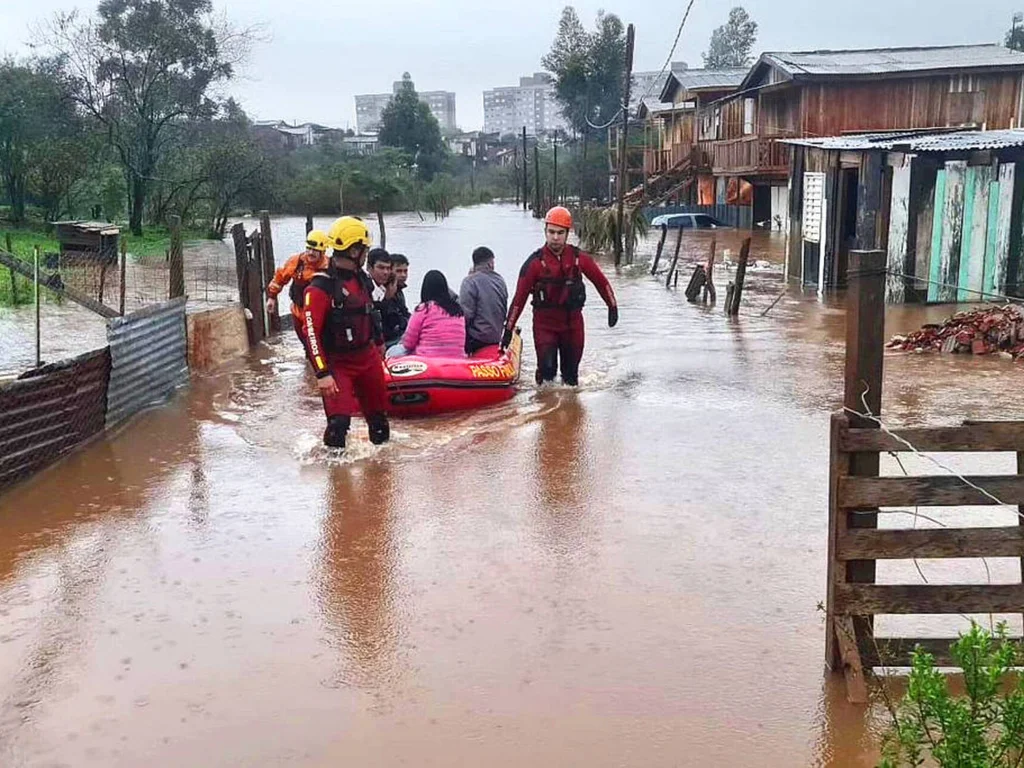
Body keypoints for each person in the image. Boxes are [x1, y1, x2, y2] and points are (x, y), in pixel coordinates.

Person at [501, 206, 618, 386]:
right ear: (545, 231)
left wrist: (612, 306)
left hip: (573, 326)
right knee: (547, 373)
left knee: (571, 378)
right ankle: (546, 409)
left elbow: (601, 282)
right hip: (545, 326)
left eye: (560, 233)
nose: (555, 237)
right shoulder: (534, 263)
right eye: (551, 232)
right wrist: (508, 329)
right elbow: (519, 299)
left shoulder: (579, 258)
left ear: (568, 233)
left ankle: (570, 411)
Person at [303, 216, 390, 449]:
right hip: (338, 363)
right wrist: (322, 373)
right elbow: (311, 333)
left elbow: (372, 312)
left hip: (367, 357)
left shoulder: (362, 279)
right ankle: (337, 481)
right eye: (364, 249)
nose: (366, 253)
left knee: (380, 424)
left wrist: (380, 342)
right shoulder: (320, 287)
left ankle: (381, 477)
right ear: (354, 250)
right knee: (338, 427)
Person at [265, 229, 329, 353]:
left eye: (315, 250)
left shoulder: (328, 267)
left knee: (319, 347)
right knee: (307, 346)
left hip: (319, 315)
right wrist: (272, 297)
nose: (310, 253)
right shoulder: (296, 262)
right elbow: (280, 278)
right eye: (308, 248)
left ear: (322, 251)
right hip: (298, 311)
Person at [386, 270, 465, 359]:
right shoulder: (458, 310)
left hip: (427, 358)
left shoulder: (424, 309)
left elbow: (409, 343)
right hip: (457, 357)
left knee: (392, 352)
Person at [459, 246, 508, 354]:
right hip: (497, 335)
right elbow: (504, 310)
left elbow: (466, 315)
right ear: (490, 263)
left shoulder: (469, 282)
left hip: (477, 339)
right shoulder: (500, 281)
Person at [381, 253, 411, 346]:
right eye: (399, 271)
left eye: (405, 271)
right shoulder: (383, 292)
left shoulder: (399, 292)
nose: (403, 275)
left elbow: (404, 312)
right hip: (388, 340)